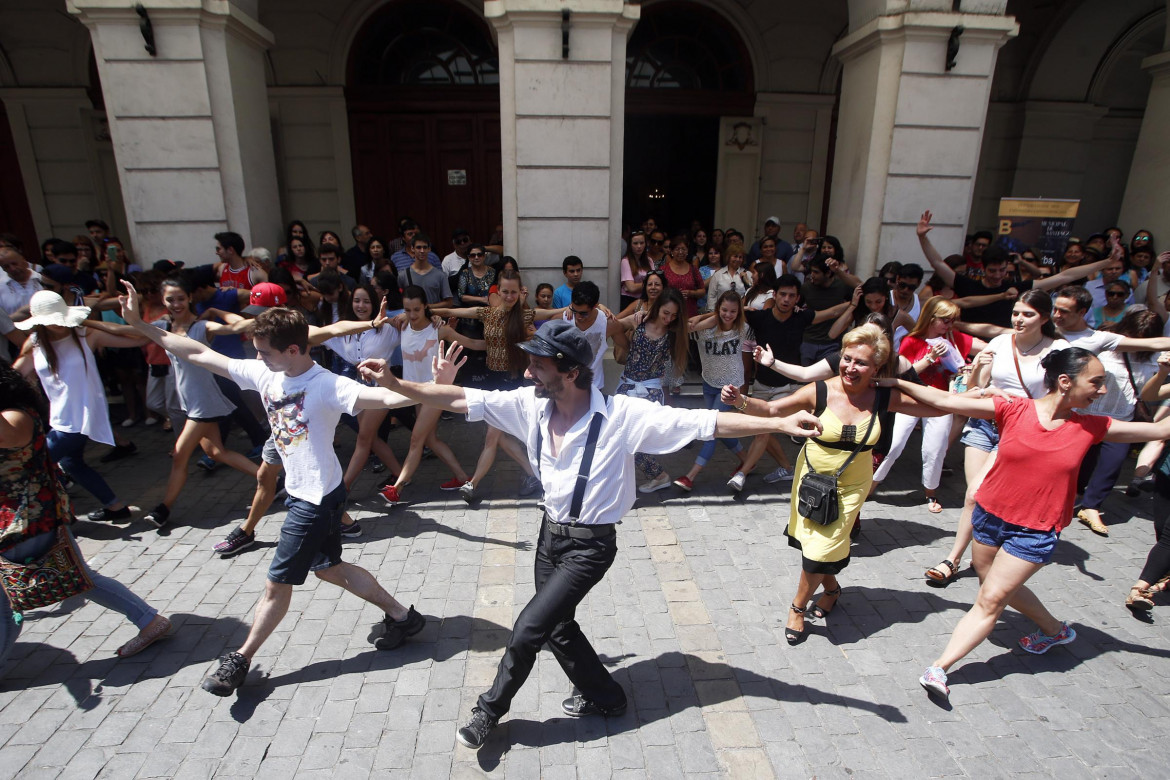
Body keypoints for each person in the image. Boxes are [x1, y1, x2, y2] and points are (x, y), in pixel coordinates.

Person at [356, 322, 823, 749]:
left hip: (591, 545)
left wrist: (777, 422)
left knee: (528, 628)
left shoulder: (624, 416)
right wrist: (397, 385)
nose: (529, 372)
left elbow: (707, 422)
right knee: (556, 626)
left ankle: (488, 711)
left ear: (573, 373)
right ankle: (607, 696)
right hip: (548, 536)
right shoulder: (528, 407)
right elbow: (459, 399)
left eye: (539, 365)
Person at [116, 281, 429, 696]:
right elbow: (197, 352)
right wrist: (139, 324)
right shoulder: (265, 371)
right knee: (329, 568)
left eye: (264, 350)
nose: (256, 356)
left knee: (276, 583)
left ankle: (239, 659)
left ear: (294, 350)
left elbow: (390, 402)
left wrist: (422, 386)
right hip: (318, 492)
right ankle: (402, 617)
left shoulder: (328, 385)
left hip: (315, 499)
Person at [883, 348, 1170, 699]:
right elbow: (944, 400)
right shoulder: (1013, 408)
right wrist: (893, 380)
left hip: (1035, 530)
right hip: (989, 516)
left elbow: (1160, 428)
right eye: (1096, 382)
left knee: (990, 599)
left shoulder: (1094, 427)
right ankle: (1055, 630)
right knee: (991, 579)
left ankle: (939, 667)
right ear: (1065, 382)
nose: (1103, 391)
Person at [721, 324, 946, 645]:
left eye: (861, 363)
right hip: (812, 478)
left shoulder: (885, 397)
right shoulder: (820, 391)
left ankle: (797, 607)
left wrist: (896, 381)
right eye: (847, 358)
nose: (851, 368)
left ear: (877, 367)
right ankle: (832, 589)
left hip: (852, 486)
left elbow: (939, 407)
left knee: (821, 548)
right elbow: (772, 409)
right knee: (814, 546)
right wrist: (740, 400)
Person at [0, 365, 172, 675]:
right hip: (22, 519)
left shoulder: (15, 418)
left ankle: (149, 620)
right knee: (78, 578)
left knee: (9, 602)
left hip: (26, 522)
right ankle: (149, 620)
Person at [12, 291, 138, 521]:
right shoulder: (35, 343)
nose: (59, 324)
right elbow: (14, 376)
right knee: (71, 463)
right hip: (60, 417)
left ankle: (53, 516)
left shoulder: (84, 333)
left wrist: (86, 320)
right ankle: (116, 507)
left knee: (35, 463)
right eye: (53, 319)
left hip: (83, 416)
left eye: (62, 317)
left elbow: (139, 338)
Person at [376, 285, 480, 505]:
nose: (412, 315)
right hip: (414, 393)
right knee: (429, 439)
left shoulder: (438, 329)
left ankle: (397, 488)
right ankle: (463, 478)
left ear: (425, 307)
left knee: (416, 439)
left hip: (434, 391)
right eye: (408, 310)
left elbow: (470, 343)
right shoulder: (402, 324)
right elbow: (380, 323)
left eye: (416, 310)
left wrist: (503, 344)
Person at [870, 296, 973, 512]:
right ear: (930, 318)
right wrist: (930, 358)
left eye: (952, 320)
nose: (948, 325)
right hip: (911, 398)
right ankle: (871, 485)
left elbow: (986, 345)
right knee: (894, 444)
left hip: (939, 400)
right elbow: (905, 375)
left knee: (935, 449)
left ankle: (930, 493)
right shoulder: (912, 341)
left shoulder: (956, 340)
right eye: (945, 320)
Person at [614, 288, 692, 492]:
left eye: (674, 315)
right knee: (614, 434)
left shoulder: (674, 332)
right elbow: (612, 325)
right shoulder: (639, 320)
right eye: (666, 313)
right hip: (627, 385)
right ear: (657, 308)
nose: (669, 318)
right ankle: (627, 478)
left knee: (631, 438)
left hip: (650, 391)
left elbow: (701, 322)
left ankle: (657, 475)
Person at [672, 291, 749, 490]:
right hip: (709, 382)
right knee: (720, 430)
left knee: (710, 428)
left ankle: (691, 475)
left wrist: (707, 316)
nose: (728, 315)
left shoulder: (742, 329)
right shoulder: (704, 331)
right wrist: (704, 318)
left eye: (733, 311)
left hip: (730, 386)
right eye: (724, 310)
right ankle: (748, 460)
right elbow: (687, 327)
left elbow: (749, 313)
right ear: (717, 309)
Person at [619, 231, 652, 311]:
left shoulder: (649, 260)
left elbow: (655, 281)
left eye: (641, 243)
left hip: (645, 299)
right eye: (635, 243)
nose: (639, 246)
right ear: (630, 245)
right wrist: (648, 283)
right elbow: (631, 288)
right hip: (629, 300)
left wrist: (648, 284)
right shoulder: (625, 261)